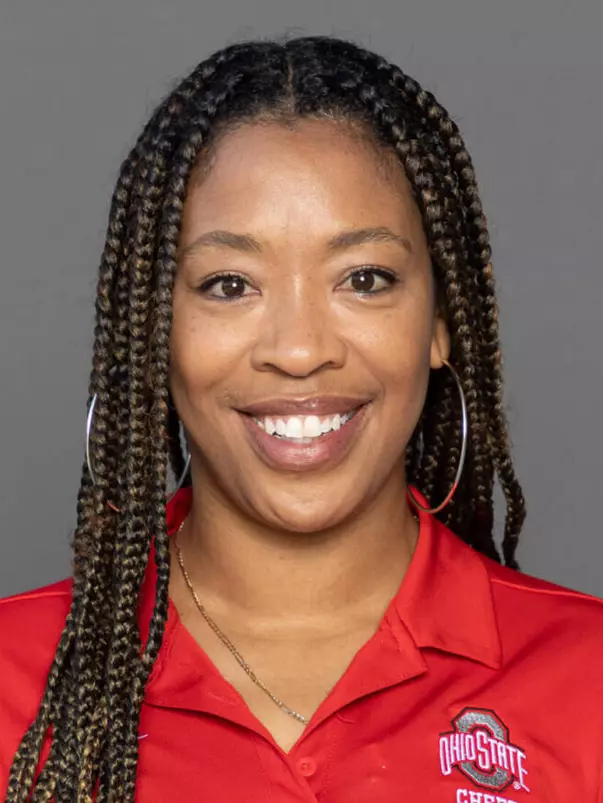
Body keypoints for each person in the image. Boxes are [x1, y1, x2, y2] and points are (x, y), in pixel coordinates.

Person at [1, 34, 601, 803]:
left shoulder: (585, 680)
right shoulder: (13, 680)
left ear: (439, 324)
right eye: (228, 284)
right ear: (151, 330)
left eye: (363, 277)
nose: (297, 349)